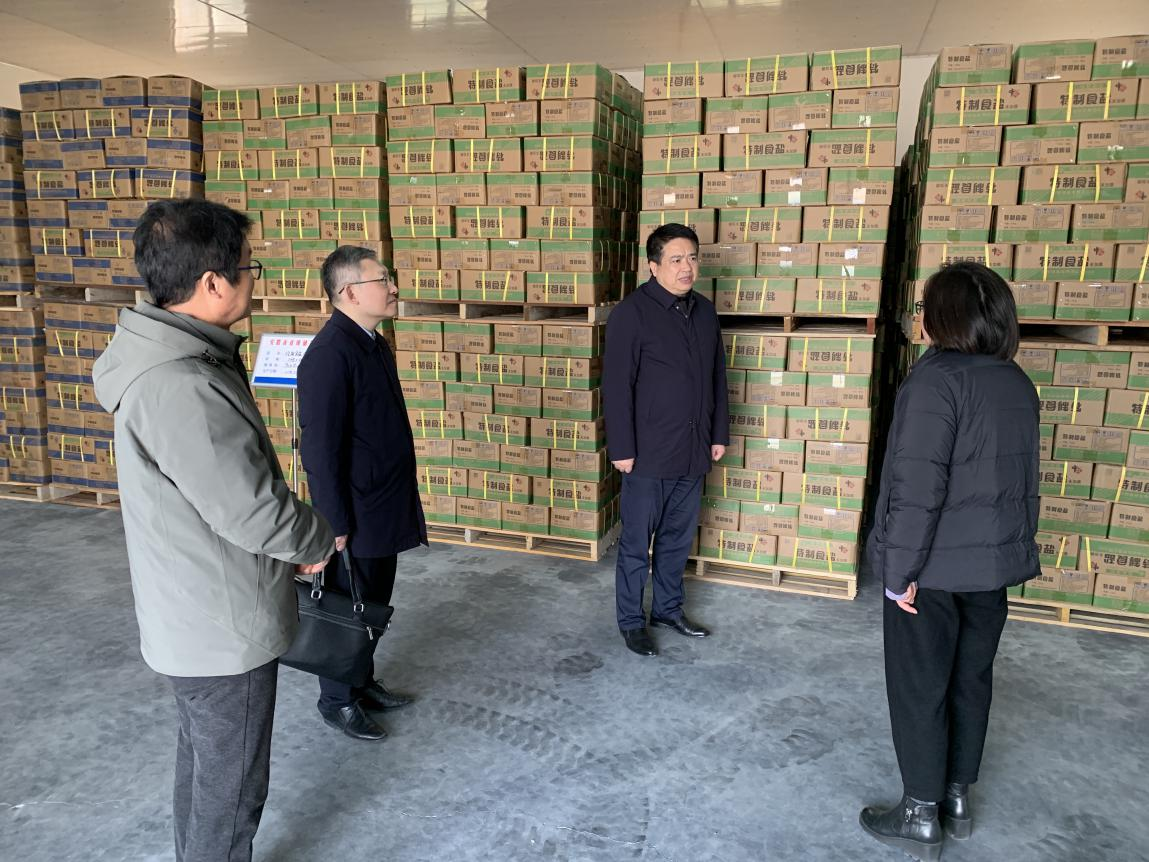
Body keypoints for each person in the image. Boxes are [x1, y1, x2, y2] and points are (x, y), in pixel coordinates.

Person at [92, 199, 335, 862]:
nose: (254, 280)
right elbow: (251, 510)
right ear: (213, 283)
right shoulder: (182, 386)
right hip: (220, 626)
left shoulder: (176, 357)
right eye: (249, 268)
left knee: (206, 760)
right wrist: (316, 541)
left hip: (193, 608)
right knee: (231, 787)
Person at [861, 261, 1040, 860]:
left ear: (945, 316)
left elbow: (917, 489)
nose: (919, 317)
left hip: (930, 573)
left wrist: (898, 573)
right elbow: (1020, 485)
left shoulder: (934, 382)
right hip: (990, 571)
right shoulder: (1016, 382)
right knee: (970, 680)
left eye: (924, 307)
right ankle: (958, 796)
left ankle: (920, 811)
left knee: (921, 687)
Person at [296, 245, 427, 741]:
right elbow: (319, 449)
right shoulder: (329, 356)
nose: (393, 288)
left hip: (383, 502)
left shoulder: (372, 343)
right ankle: (337, 701)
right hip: (355, 510)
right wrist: (333, 523)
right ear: (349, 292)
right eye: (382, 280)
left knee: (372, 602)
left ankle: (362, 681)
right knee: (348, 604)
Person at [603, 223, 729, 657]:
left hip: (693, 448)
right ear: (653, 266)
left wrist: (717, 433)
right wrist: (622, 448)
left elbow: (717, 377)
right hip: (647, 454)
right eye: (676, 259)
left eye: (692, 257)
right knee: (637, 545)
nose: (686, 267)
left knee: (677, 540)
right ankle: (631, 621)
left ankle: (668, 610)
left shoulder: (705, 312)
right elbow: (616, 387)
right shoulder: (631, 314)